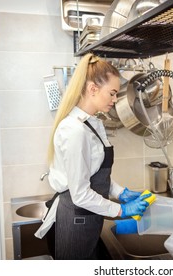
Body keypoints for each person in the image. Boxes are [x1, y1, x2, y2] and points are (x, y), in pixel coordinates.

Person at [35, 53, 151, 260]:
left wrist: (121, 192)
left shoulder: (92, 124)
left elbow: (94, 173)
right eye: (113, 93)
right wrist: (121, 210)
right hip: (75, 221)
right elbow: (80, 194)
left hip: (88, 218)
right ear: (92, 89)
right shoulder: (75, 130)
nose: (115, 100)